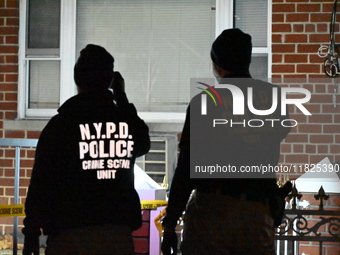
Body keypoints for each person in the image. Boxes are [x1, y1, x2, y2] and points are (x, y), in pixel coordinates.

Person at [161, 28, 292, 255]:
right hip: (256, 211)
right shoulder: (273, 99)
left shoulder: (204, 103)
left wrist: (170, 223)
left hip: (211, 210)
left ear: (217, 63)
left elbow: (186, 168)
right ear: (247, 60)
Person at [22, 44, 150, 255]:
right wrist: (122, 99)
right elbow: (143, 143)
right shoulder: (124, 122)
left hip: (70, 235)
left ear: (77, 79)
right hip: (117, 235)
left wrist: (32, 232)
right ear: (110, 80)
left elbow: (41, 183)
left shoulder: (62, 125)